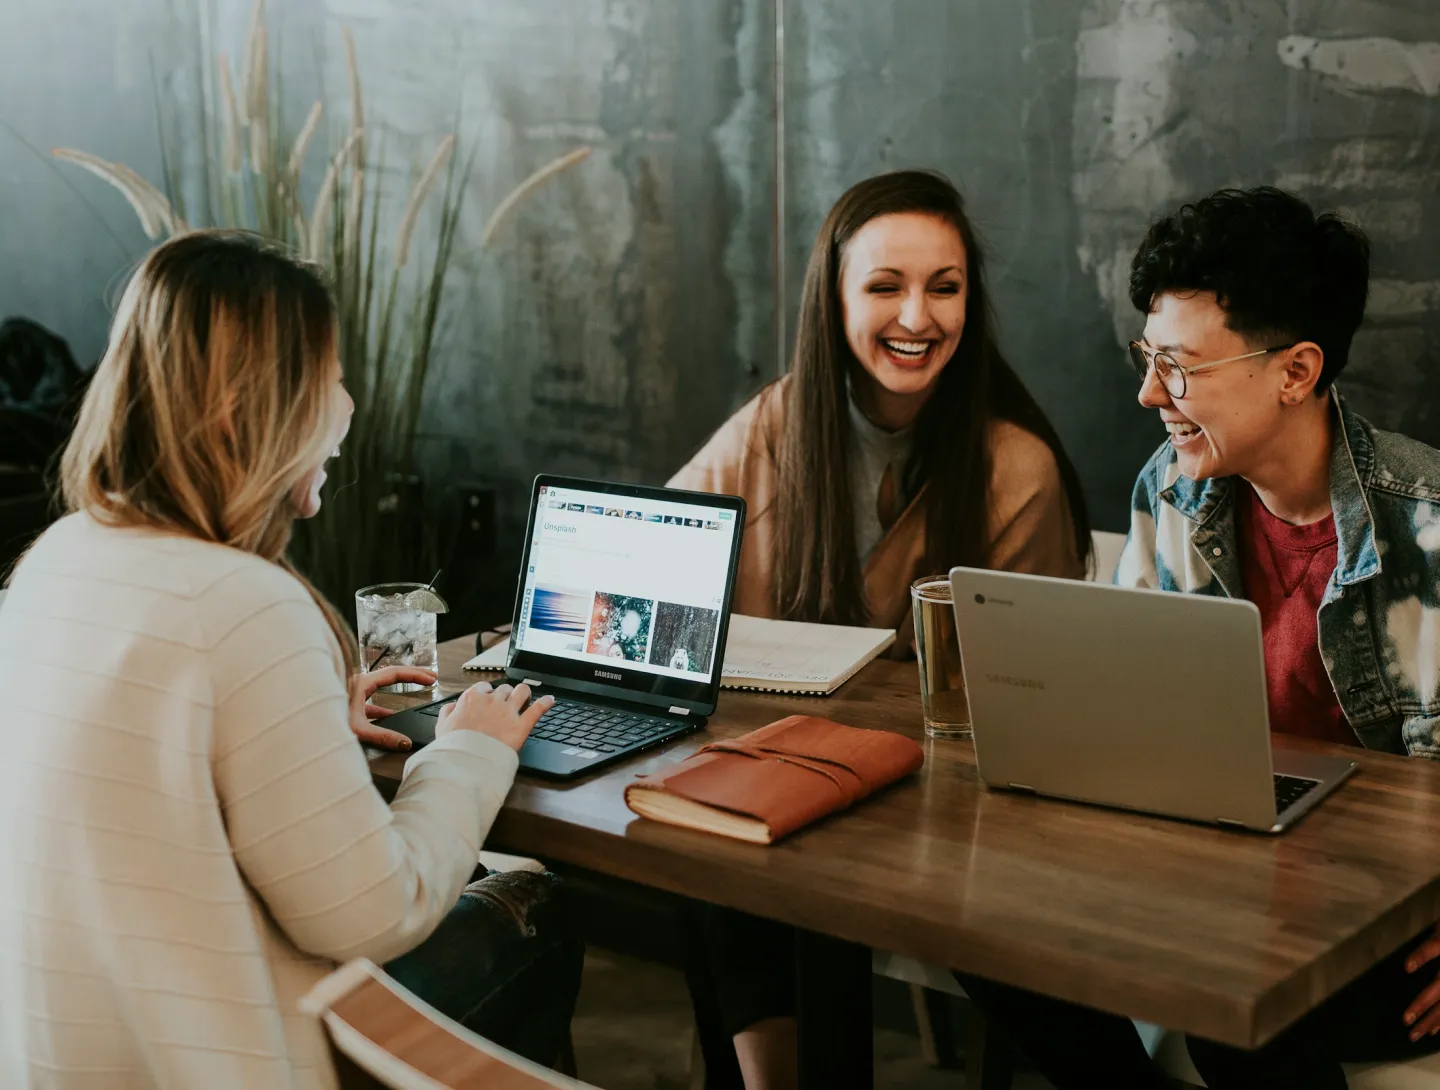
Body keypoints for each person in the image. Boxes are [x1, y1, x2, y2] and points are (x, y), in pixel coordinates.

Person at [0, 231, 583, 1089]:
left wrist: (305, 714)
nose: (347, 404)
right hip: (214, 1062)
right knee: (538, 907)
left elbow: (133, 777)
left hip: (68, 1056)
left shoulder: (56, 558)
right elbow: (371, 914)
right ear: (255, 406)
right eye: (331, 376)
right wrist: (472, 749)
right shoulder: (246, 603)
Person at [959, 186, 1440, 1089]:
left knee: (1233, 1000)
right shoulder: (1171, 490)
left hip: (1379, 923)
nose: (1148, 394)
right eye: (1148, 357)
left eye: (1179, 366)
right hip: (1215, 877)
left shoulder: (1430, 528)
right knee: (978, 927)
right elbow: (1121, 713)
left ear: (1296, 372)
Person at [669, 169, 1092, 1090]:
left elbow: (1031, 699)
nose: (918, 316)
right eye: (885, 286)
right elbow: (666, 550)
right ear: (835, 298)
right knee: (714, 850)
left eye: (945, 287)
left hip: (942, 816)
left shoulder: (1013, 467)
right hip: (782, 783)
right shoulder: (780, 422)